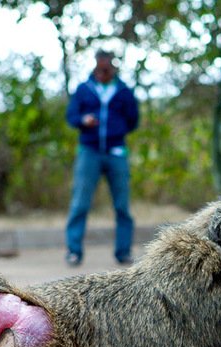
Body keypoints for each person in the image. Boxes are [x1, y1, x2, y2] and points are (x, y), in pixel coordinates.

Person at [64, 49, 140, 266]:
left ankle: (123, 251)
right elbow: (71, 116)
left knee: (122, 205)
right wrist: (83, 120)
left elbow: (133, 120)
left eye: (106, 68)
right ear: (95, 66)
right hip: (89, 151)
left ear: (112, 67)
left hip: (116, 151)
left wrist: (118, 130)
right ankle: (74, 251)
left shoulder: (124, 91)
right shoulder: (84, 89)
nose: (103, 72)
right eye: (99, 68)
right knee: (80, 202)